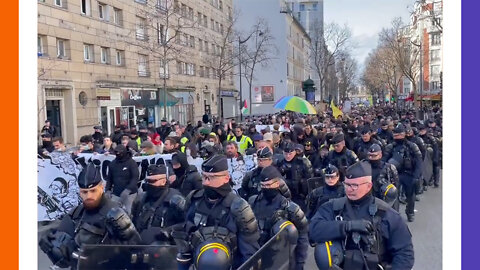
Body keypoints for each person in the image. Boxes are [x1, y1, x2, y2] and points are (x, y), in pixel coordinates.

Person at [309, 161, 414, 270]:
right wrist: (346, 227)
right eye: (347, 184)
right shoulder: (332, 207)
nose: (349, 189)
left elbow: (405, 254)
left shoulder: (386, 214)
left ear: (369, 186)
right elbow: (313, 230)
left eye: (354, 185)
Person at [39, 161, 140, 269]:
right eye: (84, 192)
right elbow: (64, 255)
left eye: (93, 190)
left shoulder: (116, 213)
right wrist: (49, 242)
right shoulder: (76, 214)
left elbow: (135, 248)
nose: (89, 196)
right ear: (79, 192)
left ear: (102, 187)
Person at [174, 155, 260, 270]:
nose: (206, 182)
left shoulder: (239, 208)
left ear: (226, 178)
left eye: (212, 177)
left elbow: (250, 254)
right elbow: (187, 233)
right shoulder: (194, 200)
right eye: (204, 177)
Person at [248, 166, 309, 270]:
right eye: (263, 185)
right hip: (260, 257)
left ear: (277, 183)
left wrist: (300, 262)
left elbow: (303, 235)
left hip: (283, 259)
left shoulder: (290, 208)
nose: (265, 188)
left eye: (268, 185)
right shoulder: (253, 202)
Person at [131, 164, 185, 245]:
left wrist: (168, 232)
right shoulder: (141, 199)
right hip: (141, 246)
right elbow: (134, 222)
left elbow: (186, 224)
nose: (149, 184)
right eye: (148, 181)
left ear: (163, 181)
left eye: (153, 181)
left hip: (166, 249)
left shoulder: (174, 199)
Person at [382, 124, 423, 222]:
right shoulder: (390, 147)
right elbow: (383, 161)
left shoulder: (412, 146)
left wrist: (416, 176)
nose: (397, 137)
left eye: (399, 135)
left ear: (404, 134)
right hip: (395, 175)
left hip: (409, 174)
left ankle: (410, 212)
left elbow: (418, 161)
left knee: (410, 196)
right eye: (395, 135)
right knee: (394, 196)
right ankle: (394, 216)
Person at [277, 142, 314, 210]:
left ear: (294, 152)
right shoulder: (280, 163)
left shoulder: (303, 162)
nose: (288, 156)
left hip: (301, 195)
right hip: (284, 195)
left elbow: (310, 180)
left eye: (290, 154)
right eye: (286, 154)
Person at [105, 145, 140, 214]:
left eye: (120, 153)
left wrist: (128, 189)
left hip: (130, 194)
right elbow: (109, 178)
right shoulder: (113, 164)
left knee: (128, 212)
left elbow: (135, 177)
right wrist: (107, 190)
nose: (118, 155)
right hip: (116, 193)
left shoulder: (131, 163)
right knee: (113, 213)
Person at [366, 144, 400, 211]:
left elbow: (396, 186)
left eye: (374, 156)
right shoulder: (364, 167)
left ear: (380, 155)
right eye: (370, 155)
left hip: (385, 199)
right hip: (369, 198)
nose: (371, 158)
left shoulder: (389, 168)